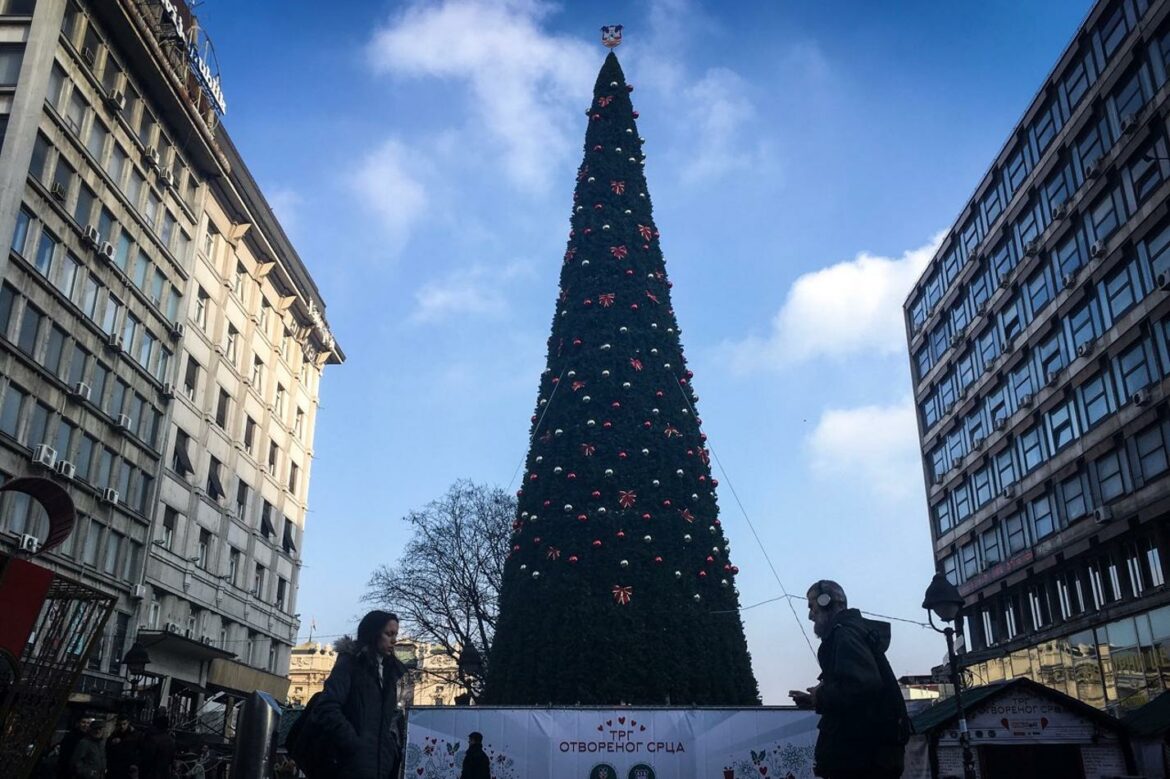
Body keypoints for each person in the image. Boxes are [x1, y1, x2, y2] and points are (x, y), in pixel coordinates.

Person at [789, 580, 908, 779]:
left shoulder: (845, 634)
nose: (810, 615)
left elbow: (862, 685)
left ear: (825, 601)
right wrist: (816, 698)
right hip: (867, 757)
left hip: (859, 758)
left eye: (812, 606)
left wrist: (821, 696)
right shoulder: (852, 633)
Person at [313, 610, 407, 779]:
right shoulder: (349, 664)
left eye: (395, 634)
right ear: (373, 633)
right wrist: (353, 744)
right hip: (350, 767)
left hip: (379, 767)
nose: (394, 640)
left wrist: (389, 749)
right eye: (389, 634)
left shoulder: (390, 673)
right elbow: (326, 707)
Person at [137, 713, 176, 779]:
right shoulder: (171, 740)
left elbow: (147, 759)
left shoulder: (153, 739)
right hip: (164, 774)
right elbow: (171, 759)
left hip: (152, 774)